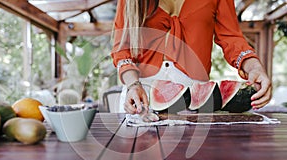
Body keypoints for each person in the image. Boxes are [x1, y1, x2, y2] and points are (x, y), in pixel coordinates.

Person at [111, 0, 272, 114]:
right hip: (140, 94)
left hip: (195, 99)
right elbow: (121, 50)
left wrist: (255, 67)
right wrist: (133, 85)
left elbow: (231, 38)